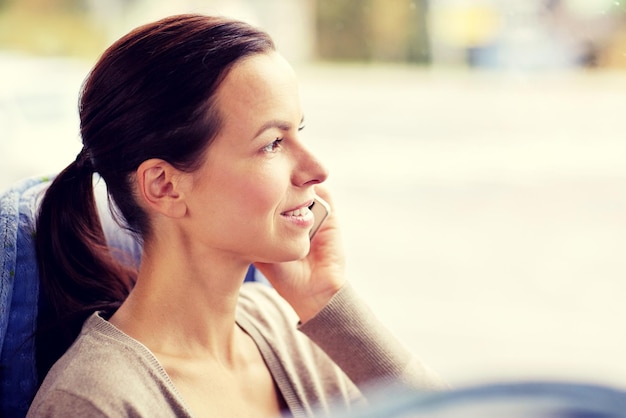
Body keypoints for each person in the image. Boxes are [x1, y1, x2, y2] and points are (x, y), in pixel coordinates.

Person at [27, 14, 446, 417]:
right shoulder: (95, 402)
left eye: (299, 131)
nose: (317, 169)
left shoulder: (282, 325)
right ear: (165, 187)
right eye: (272, 144)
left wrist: (323, 298)